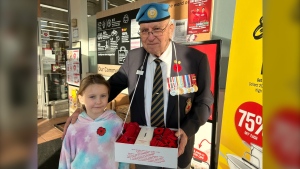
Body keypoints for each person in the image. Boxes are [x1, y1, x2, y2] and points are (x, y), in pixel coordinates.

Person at [63, 2, 213, 169]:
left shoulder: (194, 59)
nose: (150, 36)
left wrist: (187, 130)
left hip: (178, 148)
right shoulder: (133, 58)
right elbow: (109, 88)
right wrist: (83, 108)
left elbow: (204, 102)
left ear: (170, 29)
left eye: (157, 29)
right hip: (142, 149)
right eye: (144, 30)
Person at [59, 74, 128, 169]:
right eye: (92, 97)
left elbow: (123, 154)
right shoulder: (74, 127)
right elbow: (65, 158)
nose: (98, 101)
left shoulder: (116, 123)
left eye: (103, 96)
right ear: (81, 98)